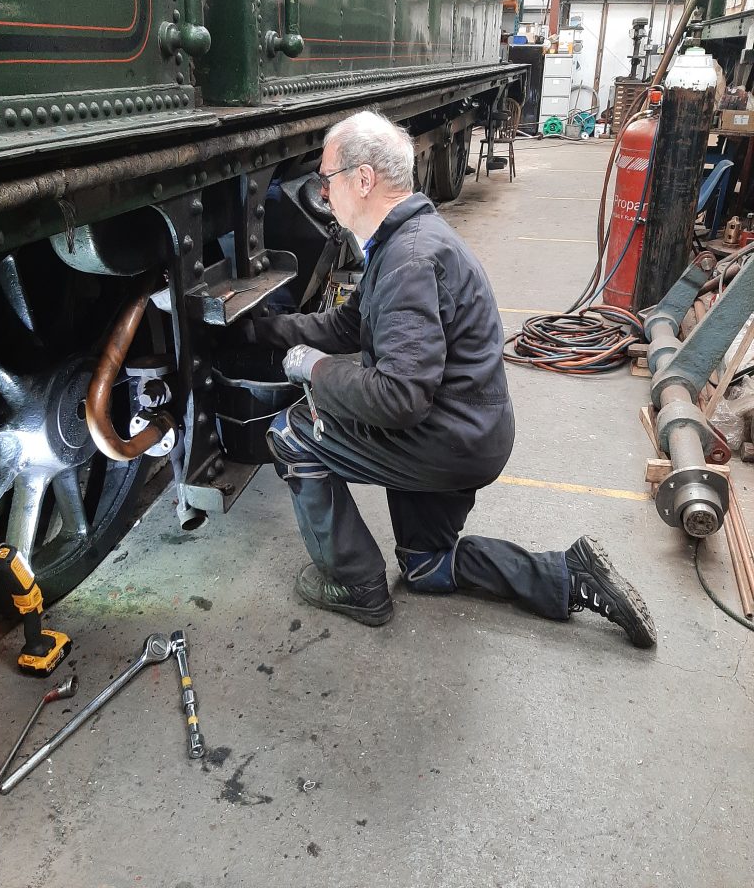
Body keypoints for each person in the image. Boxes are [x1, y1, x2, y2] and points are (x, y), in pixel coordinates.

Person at [248, 110, 656, 649]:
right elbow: (349, 325)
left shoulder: (407, 261)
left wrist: (314, 369)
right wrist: (266, 331)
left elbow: (398, 399)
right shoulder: (409, 239)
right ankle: (568, 574)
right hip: (472, 430)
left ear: (363, 179)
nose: (323, 193)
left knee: (293, 431)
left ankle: (355, 585)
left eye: (327, 179)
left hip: (447, 439)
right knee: (427, 566)